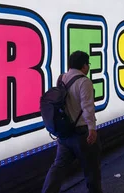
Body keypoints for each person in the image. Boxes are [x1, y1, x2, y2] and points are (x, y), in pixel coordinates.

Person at [42, 51, 102, 193]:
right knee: (92, 169)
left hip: (65, 134)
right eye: (88, 64)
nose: (88, 67)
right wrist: (92, 128)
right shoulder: (84, 81)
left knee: (58, 167)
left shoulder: (61, 78)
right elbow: (87, 106)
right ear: (84, 65)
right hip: (82, 134)